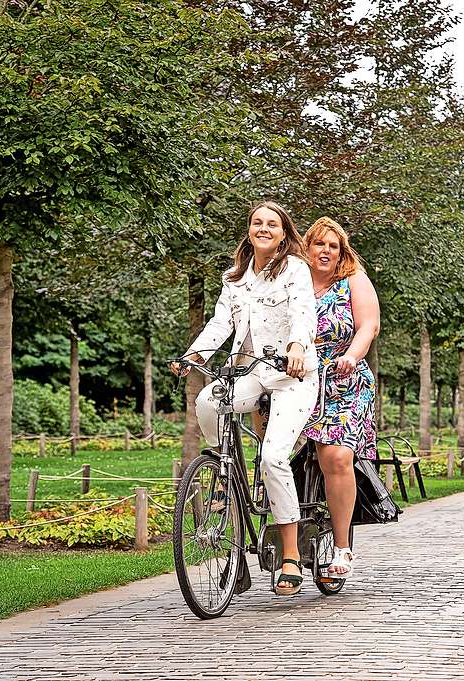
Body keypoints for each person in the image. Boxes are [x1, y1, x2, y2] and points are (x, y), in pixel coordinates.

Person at [173, 200, 319, 596]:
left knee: (273, 457)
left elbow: (303, 314)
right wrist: (195, 354)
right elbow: (221, 321)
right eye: (257, 222)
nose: (264, 228)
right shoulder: (235, 276)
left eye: (272, 223)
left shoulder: (295, 270)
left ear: (284, 232)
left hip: (293, 376)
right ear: (249, 229)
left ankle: (290, 555)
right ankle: (223, 470)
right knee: (208, 400)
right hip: (251, 371)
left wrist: (296, 347)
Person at [301, 216, 380, 579]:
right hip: (298, 380)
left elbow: (369, 326)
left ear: (341, 251)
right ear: (307, 246)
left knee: (334, 456)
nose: (326, 251)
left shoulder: (352, 280)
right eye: (320, 244)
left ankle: (341, 546)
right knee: (270, 455)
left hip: (343, 380)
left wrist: (353, 355)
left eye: (333, 246)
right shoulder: (293, 280)